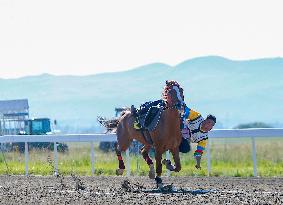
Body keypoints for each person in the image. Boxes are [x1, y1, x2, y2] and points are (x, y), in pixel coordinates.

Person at [163, 106, 216, 170]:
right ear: (205, 120)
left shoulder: (204, 138)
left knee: (186, 148)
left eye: (212, 125)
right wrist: (183, 114)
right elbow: (187, 111)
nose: (210, 126)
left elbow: (198, 152)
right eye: (209, 123)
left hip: (181, 139)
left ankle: (167, 160)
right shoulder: (197, 117)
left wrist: (198, 163)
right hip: (175, 129)